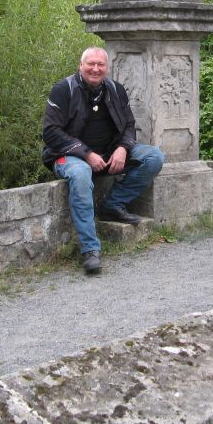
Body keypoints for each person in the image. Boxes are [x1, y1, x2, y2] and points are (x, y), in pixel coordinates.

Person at [42, 47, 165, 275]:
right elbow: (50, 132)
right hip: (69, 155)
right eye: (91, 64)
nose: (95, 69)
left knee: (154, 157)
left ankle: (112, 205)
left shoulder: (115, 89)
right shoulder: (63, 89)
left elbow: (129, 125)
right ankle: (90, 249)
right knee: (80, 174)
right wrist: (86, 153)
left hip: (109, 152)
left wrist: (122, 148)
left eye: (101, 65)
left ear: (107, 68)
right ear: (81, 65)